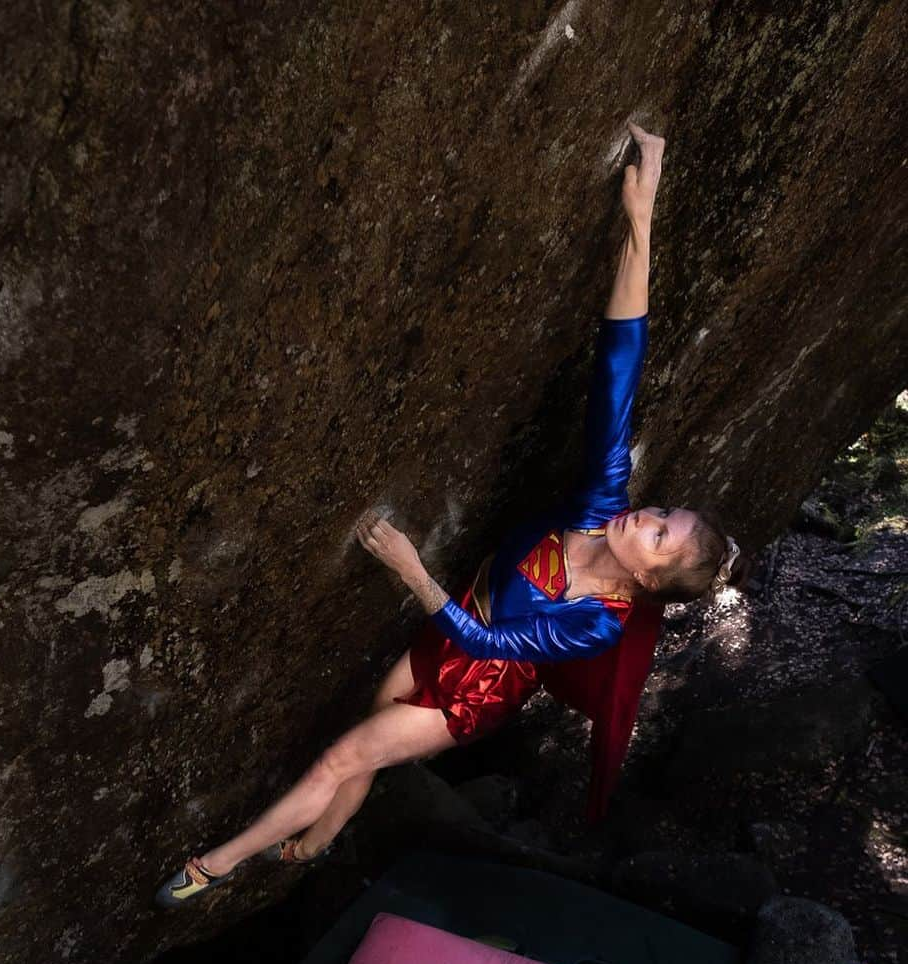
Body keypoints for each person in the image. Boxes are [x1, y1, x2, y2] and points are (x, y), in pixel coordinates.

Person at [156, 121, 748, 908]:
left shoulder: (597, 622)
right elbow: (620, 366)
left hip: (470, 688)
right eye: (661, 511)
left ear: (648, 577)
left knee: (341, 757)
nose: (644, 515)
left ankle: (211, 867)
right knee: (365, 740)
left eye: (658, 533)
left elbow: (492, 642)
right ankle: (326, 837)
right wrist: (643, 213)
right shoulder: (602, 501)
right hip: (456, 614)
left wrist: (410, 568)